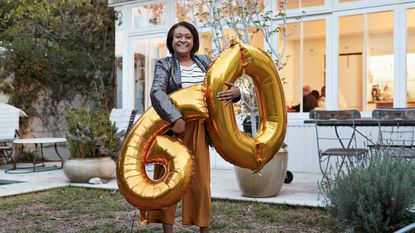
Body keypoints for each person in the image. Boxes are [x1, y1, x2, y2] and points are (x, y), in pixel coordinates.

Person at [140, 21, 240, 233]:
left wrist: (237, 93)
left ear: (193, 41)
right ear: (171, 40)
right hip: (172, 130)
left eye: (187, 36)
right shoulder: (164, 64)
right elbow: (157, 92)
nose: (182, 40)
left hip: (199, 129)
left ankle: (203, 228)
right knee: (169, 181)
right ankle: (168, 230)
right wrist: (175, 118)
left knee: (201, 184)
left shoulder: (204, 62)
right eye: (178, 36)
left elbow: (222, 84)